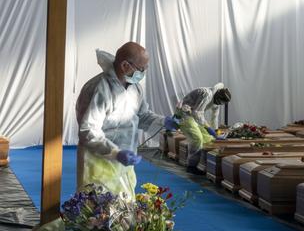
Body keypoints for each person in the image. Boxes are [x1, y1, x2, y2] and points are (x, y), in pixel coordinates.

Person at [75, 42, 178, 198]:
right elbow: (88, 131)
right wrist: (114, 152)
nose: (143, 73)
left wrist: (164, 121)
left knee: (123, 211)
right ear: (125, 65)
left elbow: (142, 116)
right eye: (141, 69)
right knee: (98, 211)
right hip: (97, 161)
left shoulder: (135, 88)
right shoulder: (99, 88)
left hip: (124, 161)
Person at [178, 83, 231, 172]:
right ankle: (191, 167)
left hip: (192, 116)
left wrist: (216, 132)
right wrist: (209, 129)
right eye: (221, 102)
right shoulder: (207, 94)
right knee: (197, 139)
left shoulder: (216, 101)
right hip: (183, 114)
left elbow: (214, 118)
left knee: (207, 137)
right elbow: (197, 113)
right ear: (218, 97)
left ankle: (200, 161)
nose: (220, 104)